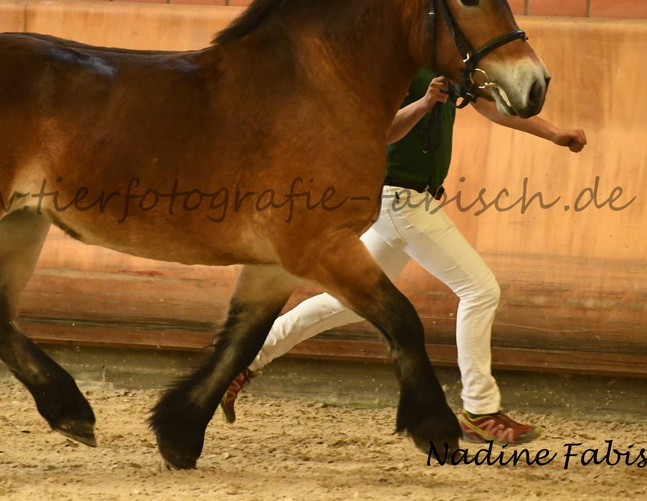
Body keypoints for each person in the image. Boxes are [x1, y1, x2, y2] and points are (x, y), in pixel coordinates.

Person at [220, 69, 587, 445]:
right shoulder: (400, 68)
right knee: (480, 291)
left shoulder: (450, 66)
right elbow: (380, 131)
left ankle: (240, 362)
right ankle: (480, 411)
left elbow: (489, 105)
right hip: (401, 199)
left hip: (412, 201)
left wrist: (554, 133)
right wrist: (425, 103)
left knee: (346, 303)